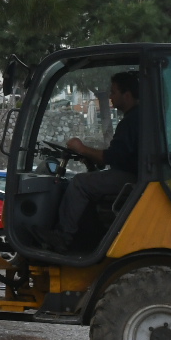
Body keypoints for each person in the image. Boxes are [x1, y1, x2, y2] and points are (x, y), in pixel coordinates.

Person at [38, 71, 142, 252]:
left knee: (79, 183)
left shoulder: (132, 121)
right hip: (134, 175)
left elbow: (111, 157)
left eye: (113, 92)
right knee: (90, 179)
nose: (110, 96)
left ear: (127, 95)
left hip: (132, 179)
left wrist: (81, 148)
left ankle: (64, 237)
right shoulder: (138, 118)